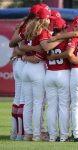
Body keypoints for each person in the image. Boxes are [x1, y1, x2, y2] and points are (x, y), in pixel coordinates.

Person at [8, 4, 42, 141]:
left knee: (19, 99)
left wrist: (20, 50)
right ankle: (22, 133)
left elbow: (13, 45)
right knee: (25, 101)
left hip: (19, 62)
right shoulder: (34, 26)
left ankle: (16, 132)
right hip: (25, 62)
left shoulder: (23, 24)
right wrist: (26, 50)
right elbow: (13, 46)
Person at [44, 18, 71, 142]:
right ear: (64, 28)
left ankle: (52, 136)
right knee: (64, 106)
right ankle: (64, 136)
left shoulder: (47, 40)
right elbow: (69, 55)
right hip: (63, 73)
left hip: (49, 73)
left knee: (51, 107)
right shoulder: (67, 39)